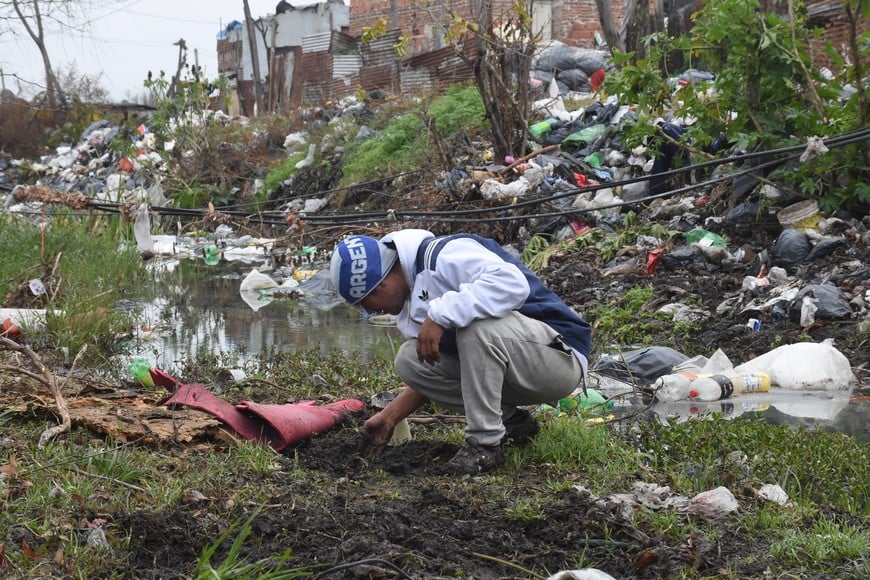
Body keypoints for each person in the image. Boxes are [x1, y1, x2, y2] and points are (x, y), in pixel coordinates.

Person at [330, 229, 591, 475]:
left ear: (381, 284)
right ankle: (514, 424)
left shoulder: (444, 255)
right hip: (517, 367)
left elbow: (513, 284)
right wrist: (389, 417)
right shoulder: (411, 303)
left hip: (559, 359)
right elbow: (457, 366)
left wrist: (441, 313)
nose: (372, 312)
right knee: (411, 359)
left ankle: (484, 446)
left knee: (475, 325)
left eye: (366, 304)